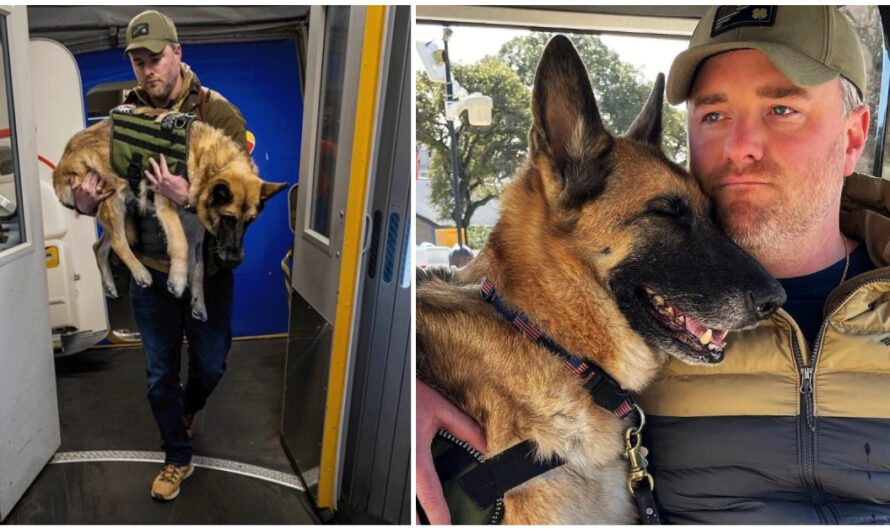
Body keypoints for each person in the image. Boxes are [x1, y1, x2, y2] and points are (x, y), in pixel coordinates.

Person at [417, 5, 890, 524]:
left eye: (781, 109)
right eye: (713, 114)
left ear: (853, 135)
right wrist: (398, 382)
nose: (740, 147)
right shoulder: (633, 334)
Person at [71, 9, 249, 502]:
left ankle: (189, 408)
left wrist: (188, 194)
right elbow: (102, 190)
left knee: (211, 366)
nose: (148, 71)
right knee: (157, 376)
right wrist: (84, 203)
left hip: (206, 270)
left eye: (156, 59)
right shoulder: (122, 119)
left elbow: (241, 203)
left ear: (178, 53)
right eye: (138, 62)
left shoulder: (219, 115)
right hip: (149, 272)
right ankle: (176, 455)